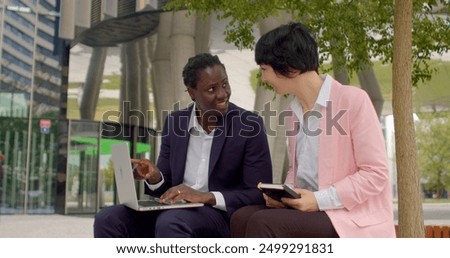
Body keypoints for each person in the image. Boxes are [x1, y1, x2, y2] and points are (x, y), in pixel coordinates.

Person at [230, 22, 396, 238]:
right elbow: (296, 172)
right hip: (311, 211)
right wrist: (284, 196)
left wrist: (319, 200)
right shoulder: (293, 111)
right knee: (241, 217)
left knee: (264, 223)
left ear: (289, 65)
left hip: (347, 216)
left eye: (264, 69)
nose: (263, 79)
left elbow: (375, 173)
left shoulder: (353, 100)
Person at [94, 53, 272, 237]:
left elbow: (258, 193)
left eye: (225, 84)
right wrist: (155, 177)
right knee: (107, 218)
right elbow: (166, 187)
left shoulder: (249, 125)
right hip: (174, 212)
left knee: (172, 221)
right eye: (211, 89)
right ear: (192, 92)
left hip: (219, 215)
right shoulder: (175, 122)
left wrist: (207, 197)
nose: (222, 94)